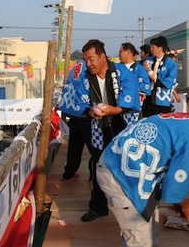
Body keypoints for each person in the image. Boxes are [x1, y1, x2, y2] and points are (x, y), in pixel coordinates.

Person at [96, 92, 189, 246]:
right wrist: (185, 205)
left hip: (119, 160)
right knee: (140, 239)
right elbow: (177, 181)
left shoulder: (188, 119)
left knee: (149, 232)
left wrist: (178, 201)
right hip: (119, 174)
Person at [78, 39, 141, 222]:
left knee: (130, 166)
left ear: (103, 56)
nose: (88, 64)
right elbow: (80, 101)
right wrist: (90, 111)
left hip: (124, 126)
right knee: (98, 165)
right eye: (85, 60)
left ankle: (136, 204)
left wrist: (113, 110)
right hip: (99, 127)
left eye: (91, 59)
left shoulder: (122, 73)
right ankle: (98, 207)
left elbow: (131, 99)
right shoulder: (84, 77)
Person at [58, 61, 92, 181]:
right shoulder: (90, 68)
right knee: (95, 148)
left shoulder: (76, 67)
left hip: (74, 113)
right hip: (86, 114)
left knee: (74, 147)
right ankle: (93, 175)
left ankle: (69, 173)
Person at [141, 36, 178, 117]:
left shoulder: (171, 63)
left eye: (153, 47)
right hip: (148, 101)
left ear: (160, 48)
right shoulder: (148, 61)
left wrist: (153, 76)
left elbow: (170, 81)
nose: (151, 49)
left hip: (162, 102)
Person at [119, 42, 151, 122]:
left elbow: (145, 86)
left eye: (121, 51)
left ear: (128, 53)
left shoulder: (140, 69)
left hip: (133, 108)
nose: (119, 54)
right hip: (118, 106)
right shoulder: (116, 68)